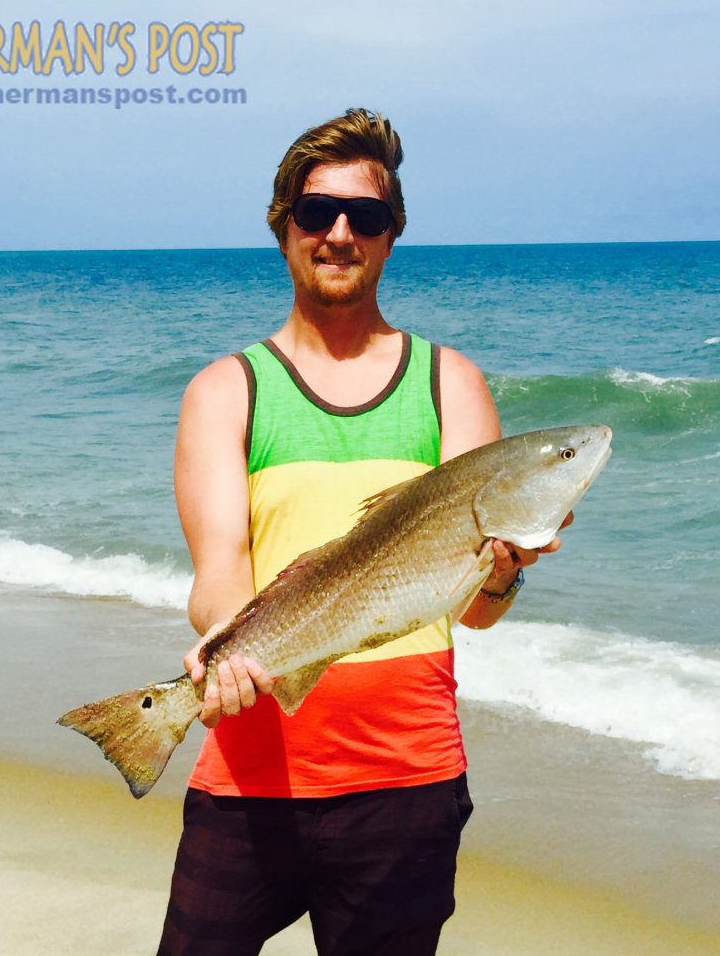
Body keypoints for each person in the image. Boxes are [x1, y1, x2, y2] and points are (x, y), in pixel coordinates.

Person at [158, 108, 569, 956]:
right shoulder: (226, 391)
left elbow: (480, 610)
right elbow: (219, 572)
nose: (340, 233)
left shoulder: (447, 383)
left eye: (366, 217)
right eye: (317, 213)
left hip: (405, 781)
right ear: (284, 228)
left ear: (390, 237)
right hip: (249, 778)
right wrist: (225, 648)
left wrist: (501, 571)